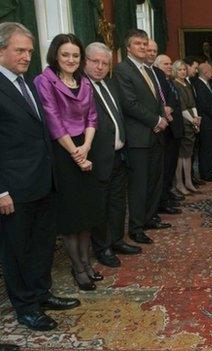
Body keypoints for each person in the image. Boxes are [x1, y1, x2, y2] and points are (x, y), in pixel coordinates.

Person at [0, 21, 80, 334]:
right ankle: (26, 307)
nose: (26, 56)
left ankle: (42, 293)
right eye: (20, 50)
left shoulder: (30, 82)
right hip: (14, 189)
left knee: (43, 244)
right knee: (18, 250)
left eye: (30, 51)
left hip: (43, 182)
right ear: (1, 49)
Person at [34, 33, 103, 291]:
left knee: (86, 213)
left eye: (75, 55)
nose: (71, 59)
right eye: (65, 54)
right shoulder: (44, 81)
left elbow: (92, 117)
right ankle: (77, 267)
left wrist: (85, 147)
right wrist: (75, 153)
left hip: (85, 147)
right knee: (70, 215)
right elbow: (53, 119)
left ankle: (86, 263)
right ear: (55, 55)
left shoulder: (84, 82)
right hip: (62, 152)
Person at [85, 42, 142, 268]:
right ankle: (102, 247)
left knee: (118, 202)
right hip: (99, 157)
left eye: (105, 63)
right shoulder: (81, 88)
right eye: (95, 62)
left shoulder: (109, 85)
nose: (100, 67)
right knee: (101, 205)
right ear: (85, 62)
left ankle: (117, 240)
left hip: (119, 155)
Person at [114, 29, 170, 245]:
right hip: (138, 138)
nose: (144, 47)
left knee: (154, 180)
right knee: (139, 185)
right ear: (128, 48)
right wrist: (156, 120)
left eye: (145, 43)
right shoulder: (123, 70)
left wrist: (161, 115)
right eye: (138, 43)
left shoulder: (148, 69)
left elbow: (154, 100)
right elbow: (129, 104)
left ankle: (149, 218)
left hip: (155, 135)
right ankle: (136, 228)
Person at [146, 40, 183, 217]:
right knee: (164, 169)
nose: (170, 66)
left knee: (169, 169)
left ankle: (167, 195)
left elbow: (172, 102)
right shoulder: (155, 77)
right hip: (163, 130)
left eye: (170, 63)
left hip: (173, 129)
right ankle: (162, 201)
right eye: (166, 64)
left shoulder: (167, 80)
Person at [172, 59, 201, 194]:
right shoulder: (175, 85)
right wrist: (193, 120)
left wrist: (196, 118)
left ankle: (188, 181)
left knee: (188, 154)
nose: (183, 72)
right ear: (175, 71)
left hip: (192, 121)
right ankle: (179, 183)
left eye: (184, 69)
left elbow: (193, 104)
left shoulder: (187, 84)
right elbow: (182, 108)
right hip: (183, 122)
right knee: (181, 155)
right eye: (180, 70)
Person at [194, 62, 212, 182]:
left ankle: (209, 171)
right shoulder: (199, 84)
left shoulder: (207, 83)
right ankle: (205, 173)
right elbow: (204, 105)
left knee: (211, 147)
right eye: (210, 70)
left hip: (210, 120)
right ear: (205, 72)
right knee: (206, 148)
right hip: (206, 121)